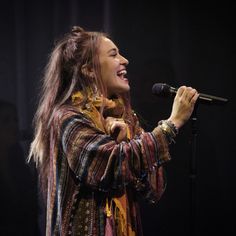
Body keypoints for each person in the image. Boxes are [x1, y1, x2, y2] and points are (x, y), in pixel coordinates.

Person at [28, 26, 199, 236]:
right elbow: (108, 166)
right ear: (89, 69)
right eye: (114, 54)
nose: (125, 60)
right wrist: (171, 124)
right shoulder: (67, 118)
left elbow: (154, 188)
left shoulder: (126, 118)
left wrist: (128, 141)